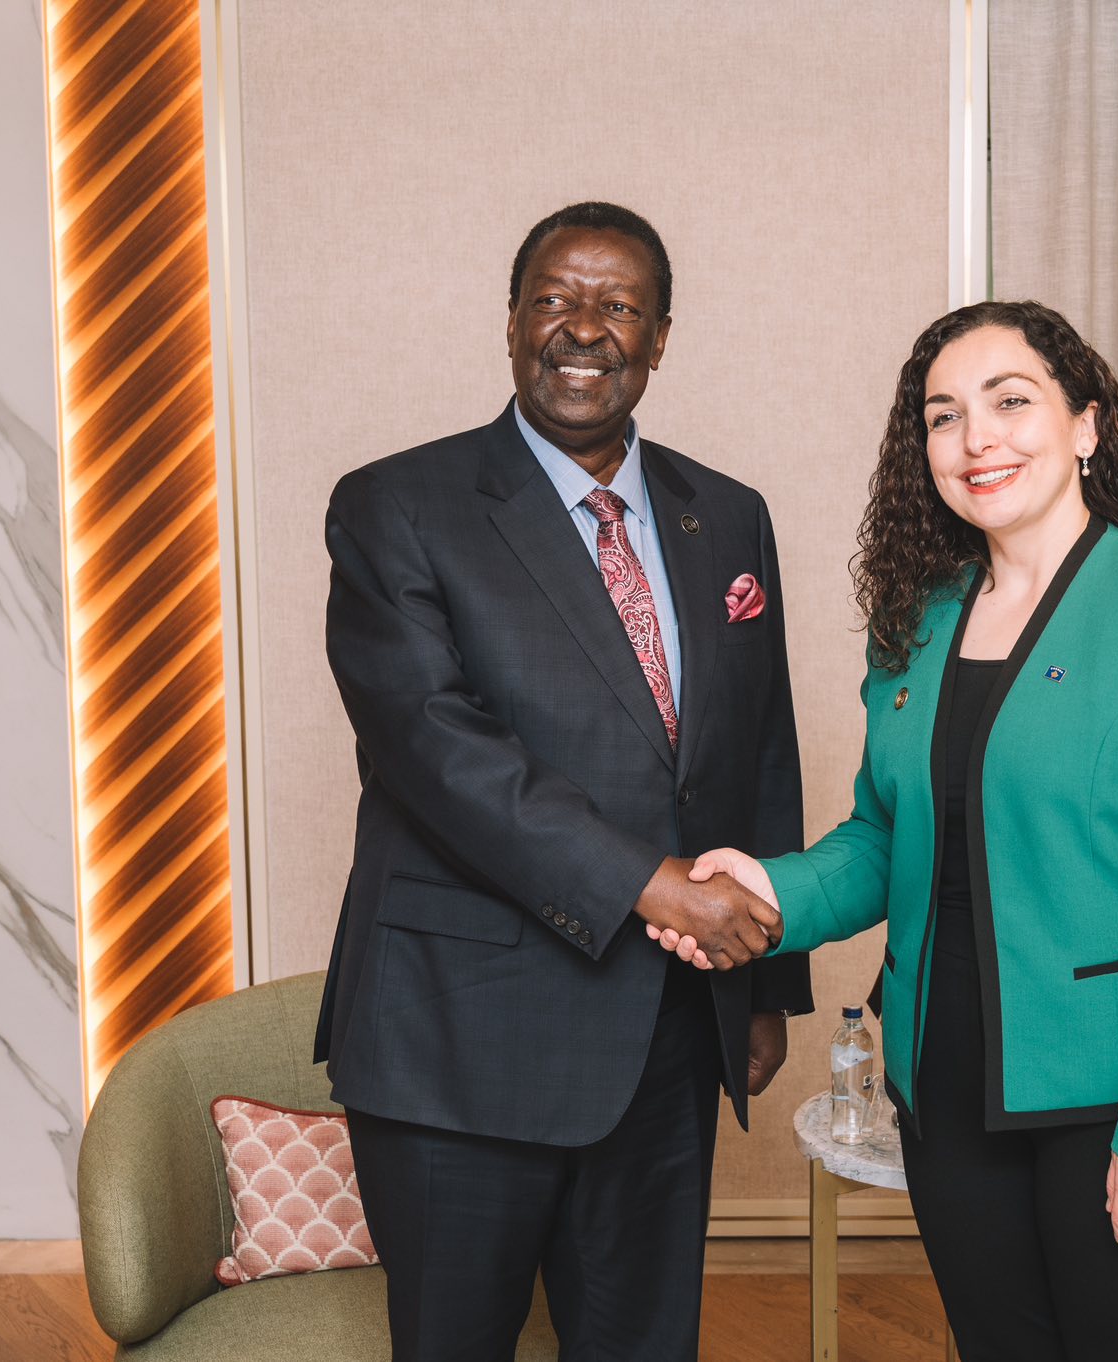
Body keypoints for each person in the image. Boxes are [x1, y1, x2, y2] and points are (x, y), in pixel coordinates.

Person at [652, 300, 1118, 1362]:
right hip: (945, 1088)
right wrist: (768, 890)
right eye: (944, 416)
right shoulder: (921, 617)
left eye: (1010, 401)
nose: (976, 438)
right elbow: (882, 840)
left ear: (1085, 425)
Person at [314, 201, 813, 1361]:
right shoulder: (397, 506)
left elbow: (759, 752)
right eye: (553, 299)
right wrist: (652, 884)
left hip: (668, 1040)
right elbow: (436, 750)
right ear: (509, 323)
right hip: (458, 1040)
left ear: (659, 338)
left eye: (618, 306)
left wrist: (763, 988)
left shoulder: (725, 515)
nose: (582, 328)